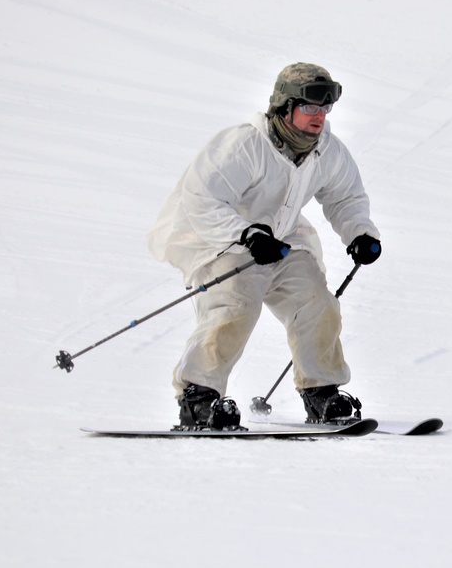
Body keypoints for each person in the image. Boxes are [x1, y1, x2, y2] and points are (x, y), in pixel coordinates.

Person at [147, 62, 382, 430]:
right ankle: (198, 397)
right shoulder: (245, 145)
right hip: (220, 239)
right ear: (285, 107)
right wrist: (245, 234)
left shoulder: (326, 151)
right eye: (309, 107)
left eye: (324, 108)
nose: (319, 116)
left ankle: (320, 392)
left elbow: (345, 197)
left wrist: (360, 233)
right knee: (236, 305)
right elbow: (201, 198)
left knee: (317, 303)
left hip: (281, 241)